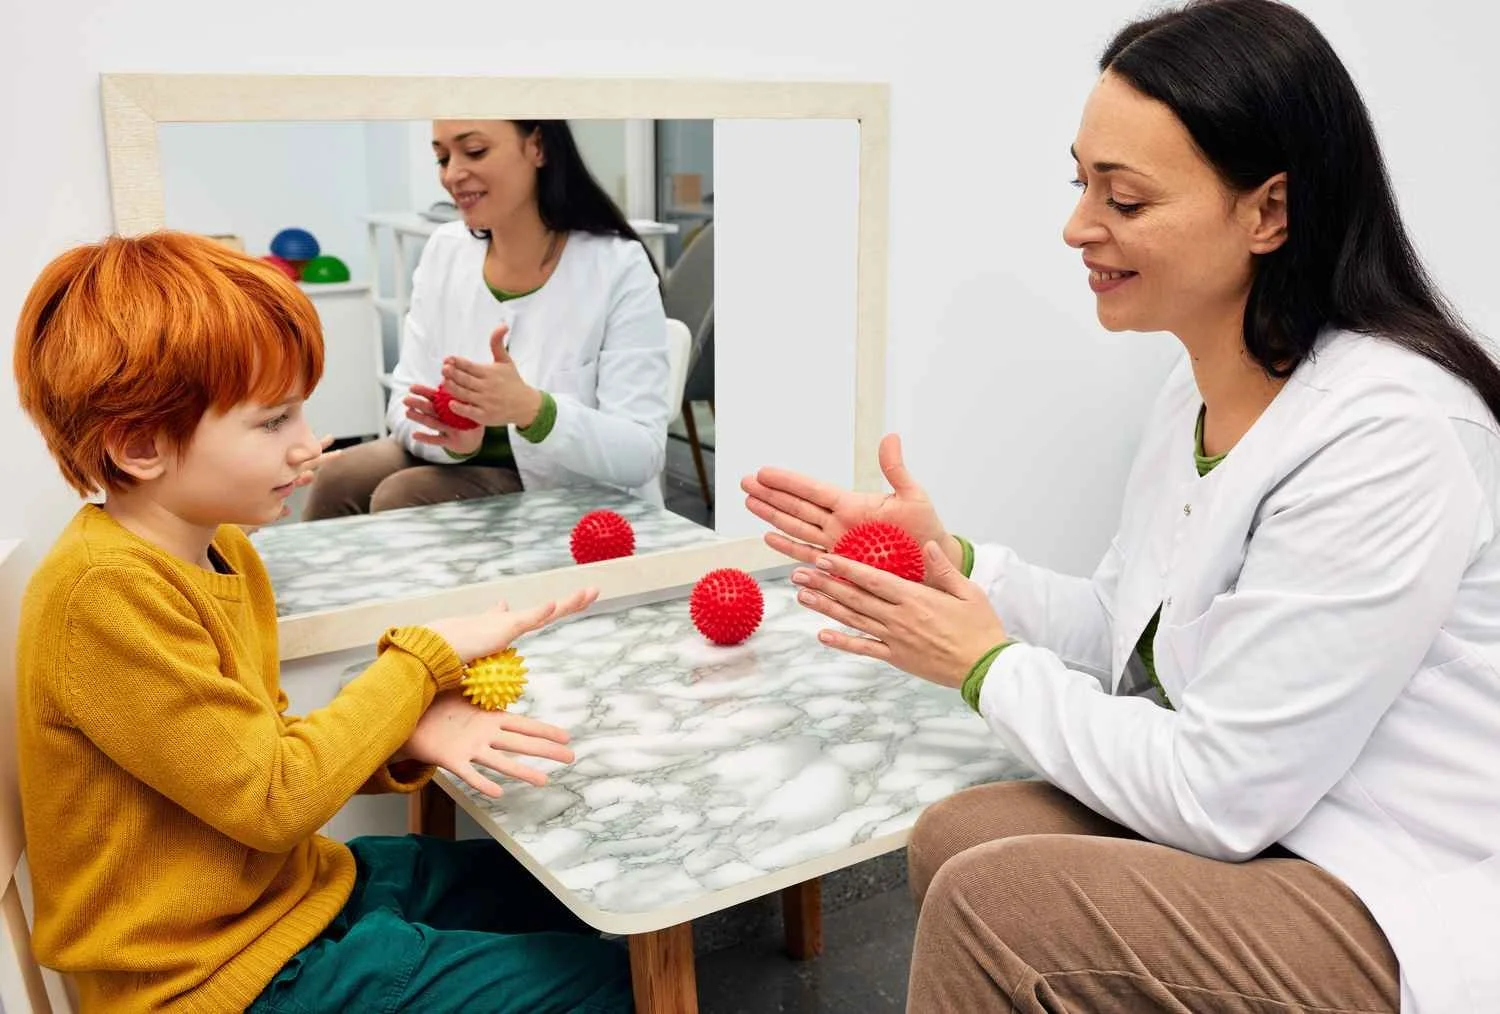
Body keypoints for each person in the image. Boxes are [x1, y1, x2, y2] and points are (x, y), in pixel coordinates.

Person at [742, 1, 1499, 1011]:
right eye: (1080, 182)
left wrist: (982, 667)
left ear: (1268, 213)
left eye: (1125, 199)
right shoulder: (1197, 391)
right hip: (1292, 816)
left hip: (1393, 877)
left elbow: (1222, 793)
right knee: (957, 833)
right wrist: (954, 564)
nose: (1077, 226)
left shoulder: (1389, 437)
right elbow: (1123, 633)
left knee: (996, 899)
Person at [13, 230, 632, 1012]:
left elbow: (254, 754)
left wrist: (405, 734)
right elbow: (273, 799)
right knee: (609, 988)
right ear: (139, 445)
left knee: (551, 884)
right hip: (209, 982)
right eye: (273, 422)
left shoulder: (222, 554)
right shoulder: (103, 594)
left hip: (283, 899)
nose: (311, 444)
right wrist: (419, 665)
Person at [303, 118, 672, 519]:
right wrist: (453, 442)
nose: (452, 174)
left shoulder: (617, 265)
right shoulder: (445, 250)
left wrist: (534, 410)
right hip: (460, 462)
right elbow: (405, 396)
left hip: (570, 490)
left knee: (404, 494)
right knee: (338, 475)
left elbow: (642, 452)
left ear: (538, 147)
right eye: (442, 157)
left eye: (475, 151)